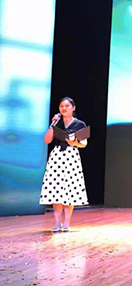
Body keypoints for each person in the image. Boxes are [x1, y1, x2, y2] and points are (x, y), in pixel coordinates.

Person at [40, 97, 89, 232]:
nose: (64, 108)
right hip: (57, 157)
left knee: (69, 189)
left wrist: (74, 143)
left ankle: (66, 222)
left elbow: (84, 144)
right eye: (61, 106)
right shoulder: (57, 123)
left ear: (73, 108)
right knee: (56, 189)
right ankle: (57, 223)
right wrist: (53, 125)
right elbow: (47, 140)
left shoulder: (80, 124)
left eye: (67, 106)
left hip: (71, 156)